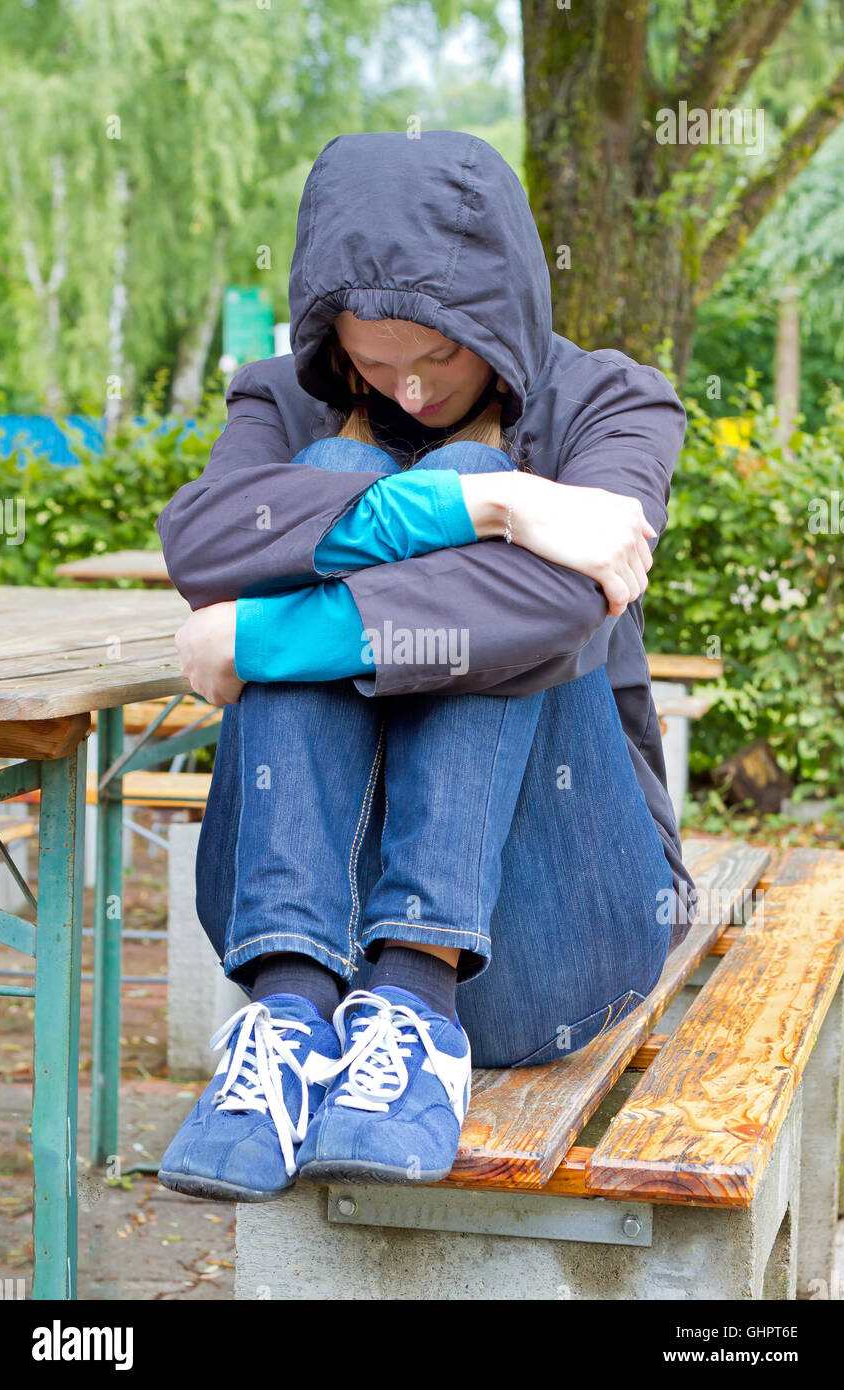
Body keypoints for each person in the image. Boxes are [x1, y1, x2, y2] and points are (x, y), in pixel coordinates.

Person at [154, 130, 698, 1201]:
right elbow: (204, 543)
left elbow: (551, 607)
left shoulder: (614, 403)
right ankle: (290, 1022)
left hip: (548, 931)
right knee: (355, 462)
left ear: (494, 316)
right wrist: (484, 503)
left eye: (436, 356)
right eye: (371, 359)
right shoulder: (281, 397)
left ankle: (417, 992)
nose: (405, 388)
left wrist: (259, 635)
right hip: (295, 925)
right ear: (329, 337)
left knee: (491, 550)